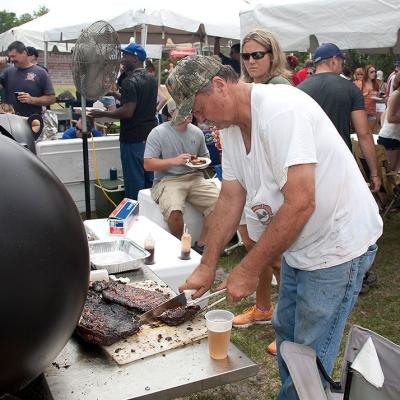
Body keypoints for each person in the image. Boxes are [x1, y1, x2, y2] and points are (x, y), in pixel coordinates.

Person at [167, 55, 382, 400]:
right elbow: (230, 197)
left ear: (220, 86)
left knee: (309, 357)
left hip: (338, 244)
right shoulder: (233, 128)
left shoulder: (281, 111)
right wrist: (207, 266)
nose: (199, 119)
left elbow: (301, 202)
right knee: (286, 333)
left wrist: (250, 268)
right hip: (301, 244)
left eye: (198, 108)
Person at [234, 28, 292, 356]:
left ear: (272, 55)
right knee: (256, 247)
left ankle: (285, 328)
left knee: (279, 257)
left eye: (258, 54)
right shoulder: (249, 87)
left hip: (273, 182)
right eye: (247, 55)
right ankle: (262, 308)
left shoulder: (280, 87)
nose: (252, 60)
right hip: (252, 179)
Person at [298, 43, 381, 192]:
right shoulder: (351, 89)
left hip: (307, 161)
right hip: (339, 160)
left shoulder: (300, 89)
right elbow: (364, 134)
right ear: (334, 60)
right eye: (342, 62)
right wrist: (374, 173)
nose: (343, 66)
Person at [143, 109, 219, 252]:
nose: (189, 113)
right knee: (174, 212)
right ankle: (180, 247)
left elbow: (205, 158)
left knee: (220, 204)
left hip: (194, 177)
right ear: (172, 112)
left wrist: (201, 163)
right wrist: (175, 161)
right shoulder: (158, 133)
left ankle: (202, 245)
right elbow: (148, 164)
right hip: (167, 180)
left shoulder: (197, 132)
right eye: (184, 110)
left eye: (191, 110)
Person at [89, 43, 158, 200]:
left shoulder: (129, 81)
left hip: (132, 138)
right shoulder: (151, 79)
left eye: (125, 56)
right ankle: (150, 213)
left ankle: (135, 214)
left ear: (135, 59)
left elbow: (128, 111)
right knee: (149, 180)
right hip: (150, 137)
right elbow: (137, 101)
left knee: (134, 182)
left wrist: (101, 113)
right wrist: (115, 94)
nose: (122, 59)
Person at [0, 41, 55, 117]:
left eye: (14, 56)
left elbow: (51, 99)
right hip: (9, 121)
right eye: (10, 57)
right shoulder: (7, 72)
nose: (11, 59)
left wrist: (32, 99)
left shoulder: (41, 72)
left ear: (24, 53)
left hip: (31, 122)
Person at [378, 72, 400, 172]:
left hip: (394, 137)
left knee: (394, 173)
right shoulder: (397, 95)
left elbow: (384, 115)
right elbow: (390, 118)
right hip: (390, 138)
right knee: (390, 173)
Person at [354, 64, 380, 134]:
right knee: (362, 133)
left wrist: (377, 99)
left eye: (375, 72)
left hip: (372, 111)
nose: (374, 73)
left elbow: (377, 97)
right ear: (367, 73)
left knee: (370, 132)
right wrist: (366, 94)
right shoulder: (360, 83)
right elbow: (355, 97)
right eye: (371, 72)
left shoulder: (376, 84)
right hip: (362, 111)